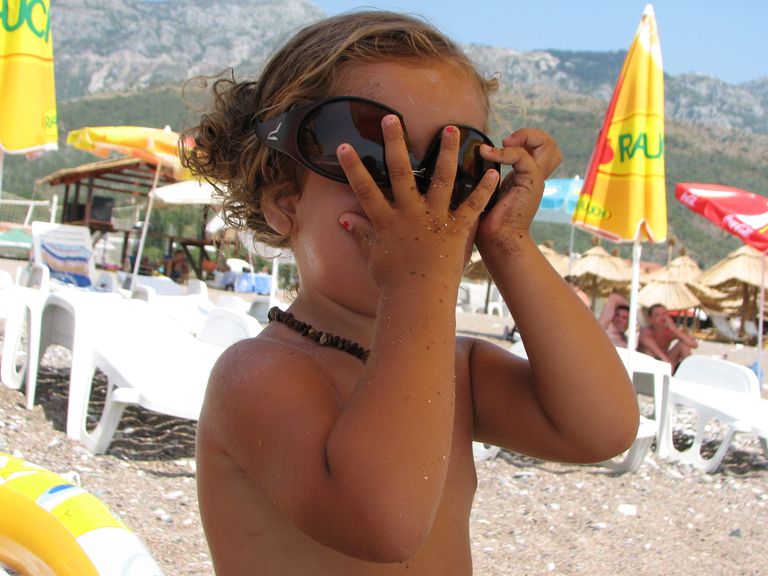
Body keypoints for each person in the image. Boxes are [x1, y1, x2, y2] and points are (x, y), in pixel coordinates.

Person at [183, 11, 638, 575]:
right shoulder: (257, 375)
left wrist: (507, 241)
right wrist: (417, 283)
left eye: (458, 167)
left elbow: (601, 428)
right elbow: (382, 523)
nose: (421, 197)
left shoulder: (457, 371)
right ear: (285, 204)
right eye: (375, 159)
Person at [637, 303, 698, 371]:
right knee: (647, 351)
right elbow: (657, 352)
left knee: (683, 345)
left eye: (664, 314)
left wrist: (674, 329)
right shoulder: (646, 332)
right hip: (648, 363)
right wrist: (668, 364)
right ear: (650, 319)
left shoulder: (670, 330)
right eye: (657, 315)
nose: (662, 317)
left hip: (665, 360)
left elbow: (694, 344)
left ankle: (689, 371)